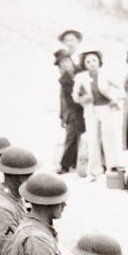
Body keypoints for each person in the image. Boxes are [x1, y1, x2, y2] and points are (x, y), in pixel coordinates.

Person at [72, 51, 122, 179]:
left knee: (108, 137)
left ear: (99, 61)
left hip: (105, 109)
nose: (92, 64)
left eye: (94, 60)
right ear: (84, 64)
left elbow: (120, 88)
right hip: (90, 110)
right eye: (88, 62)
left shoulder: (106, 74)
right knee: (93, 139)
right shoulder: (80, 77)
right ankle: (94, 170)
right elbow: (75, 95)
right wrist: (82, 99)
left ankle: (112, 166)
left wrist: (114, 99)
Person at [55, 47, 84, 175]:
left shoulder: (80, 72)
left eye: (67, 61)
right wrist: (62, 115)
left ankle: (75, 162)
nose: (65, 64)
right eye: (62, 63)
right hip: (73, 111)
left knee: (82, 136)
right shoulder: (64, 79)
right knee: (71, 137)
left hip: (83, 109)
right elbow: (66, 100)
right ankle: (64, 165)